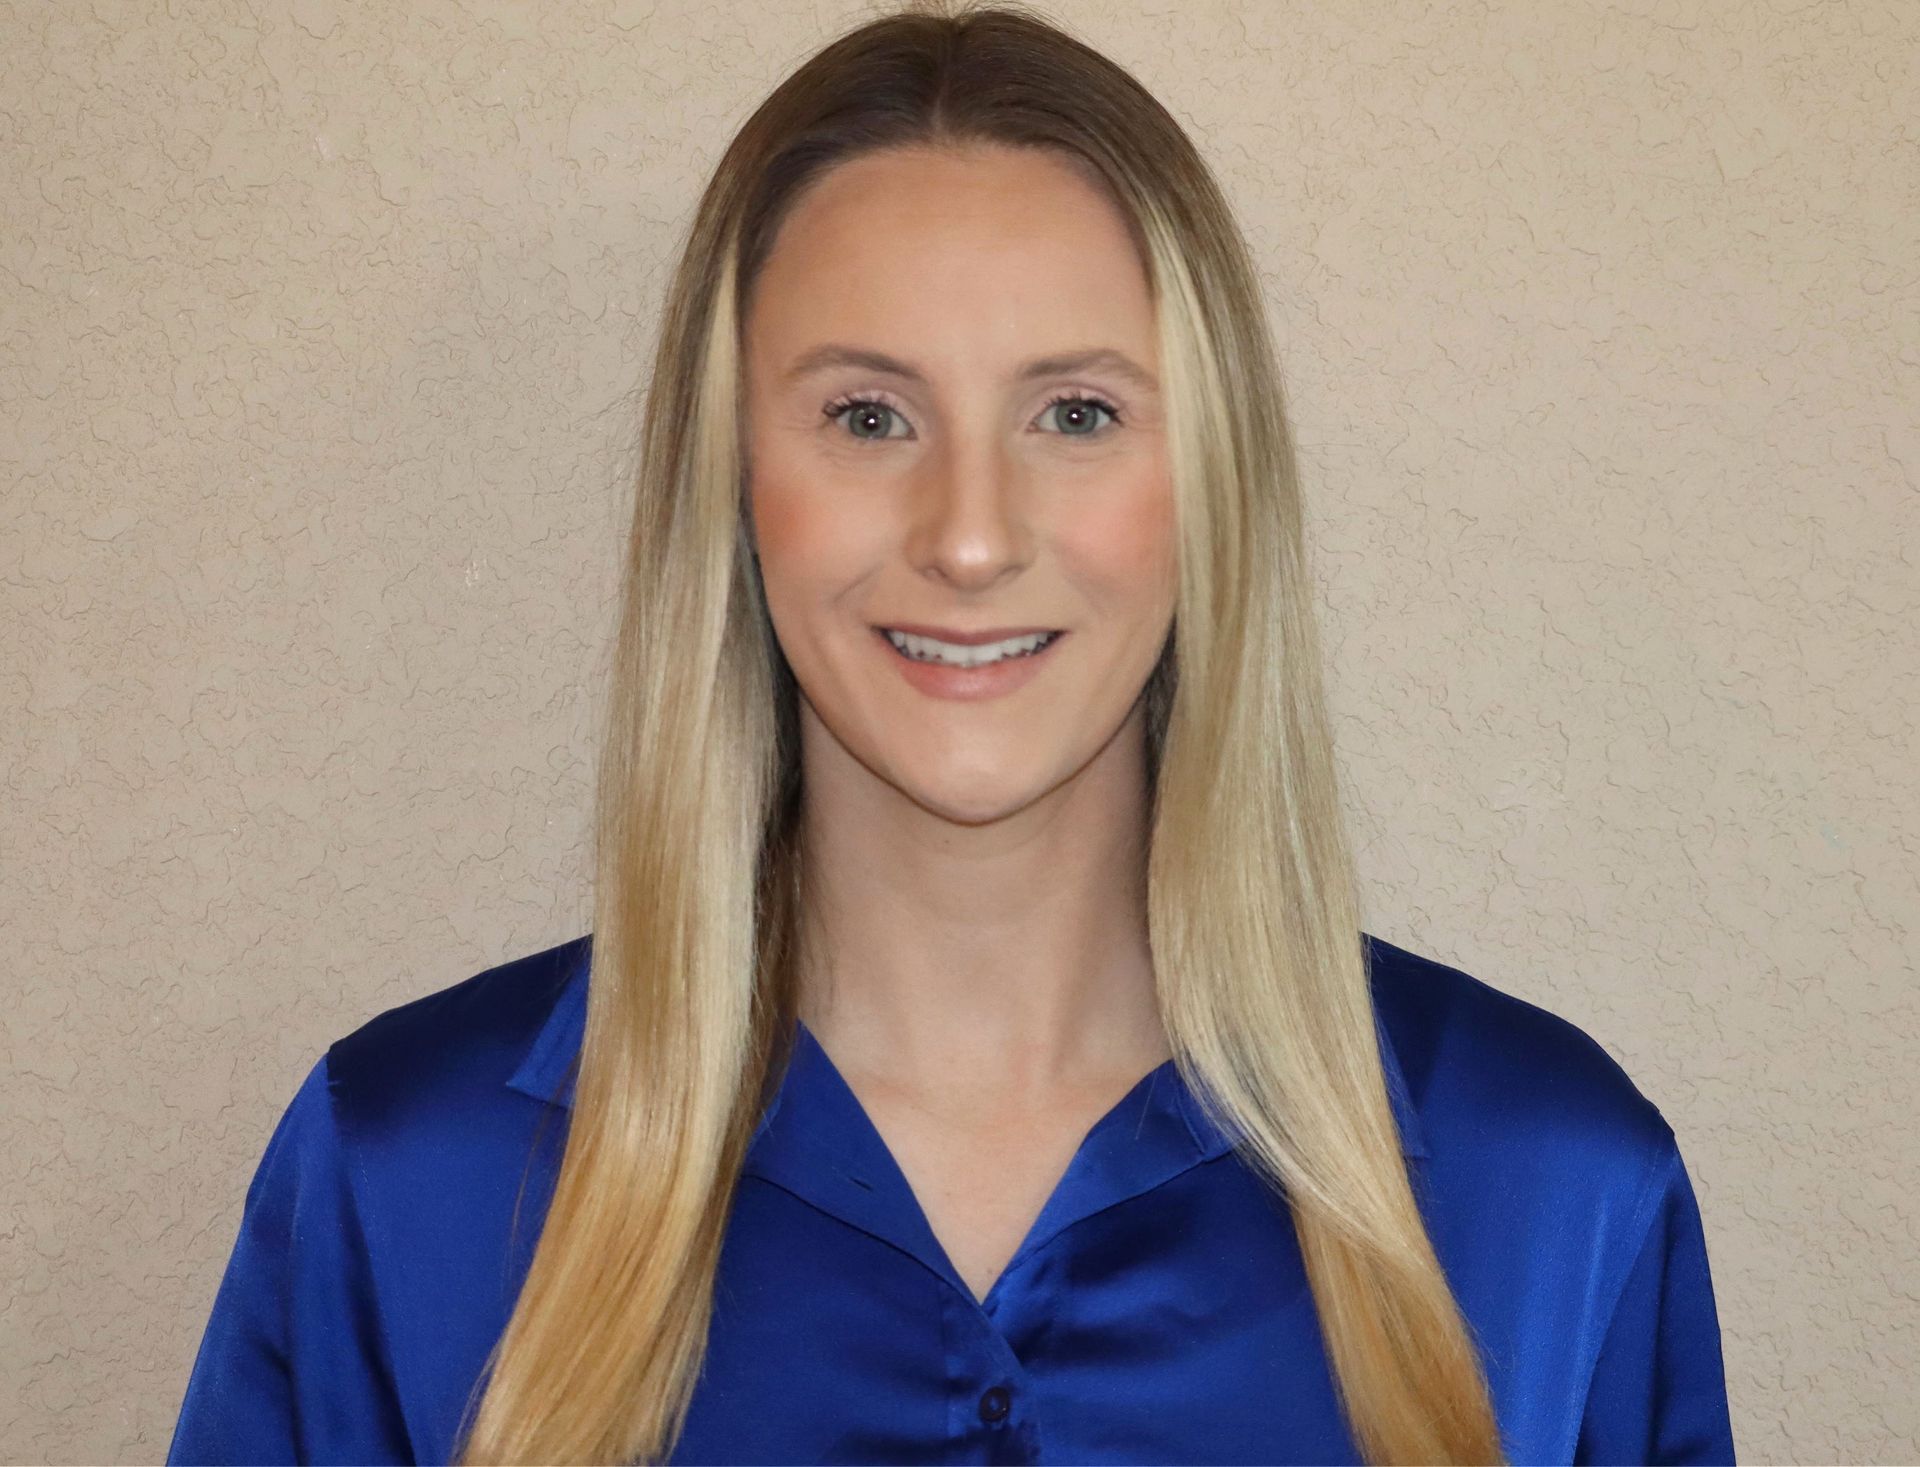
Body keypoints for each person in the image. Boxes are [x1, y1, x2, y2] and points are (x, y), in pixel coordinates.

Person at [166, 2, 1737, 1463]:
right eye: (868, 417)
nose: (970, 538)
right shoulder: (405, 1181)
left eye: (1076, 414)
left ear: (1211, 482)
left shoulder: (1552, 1191)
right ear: (732, 482)